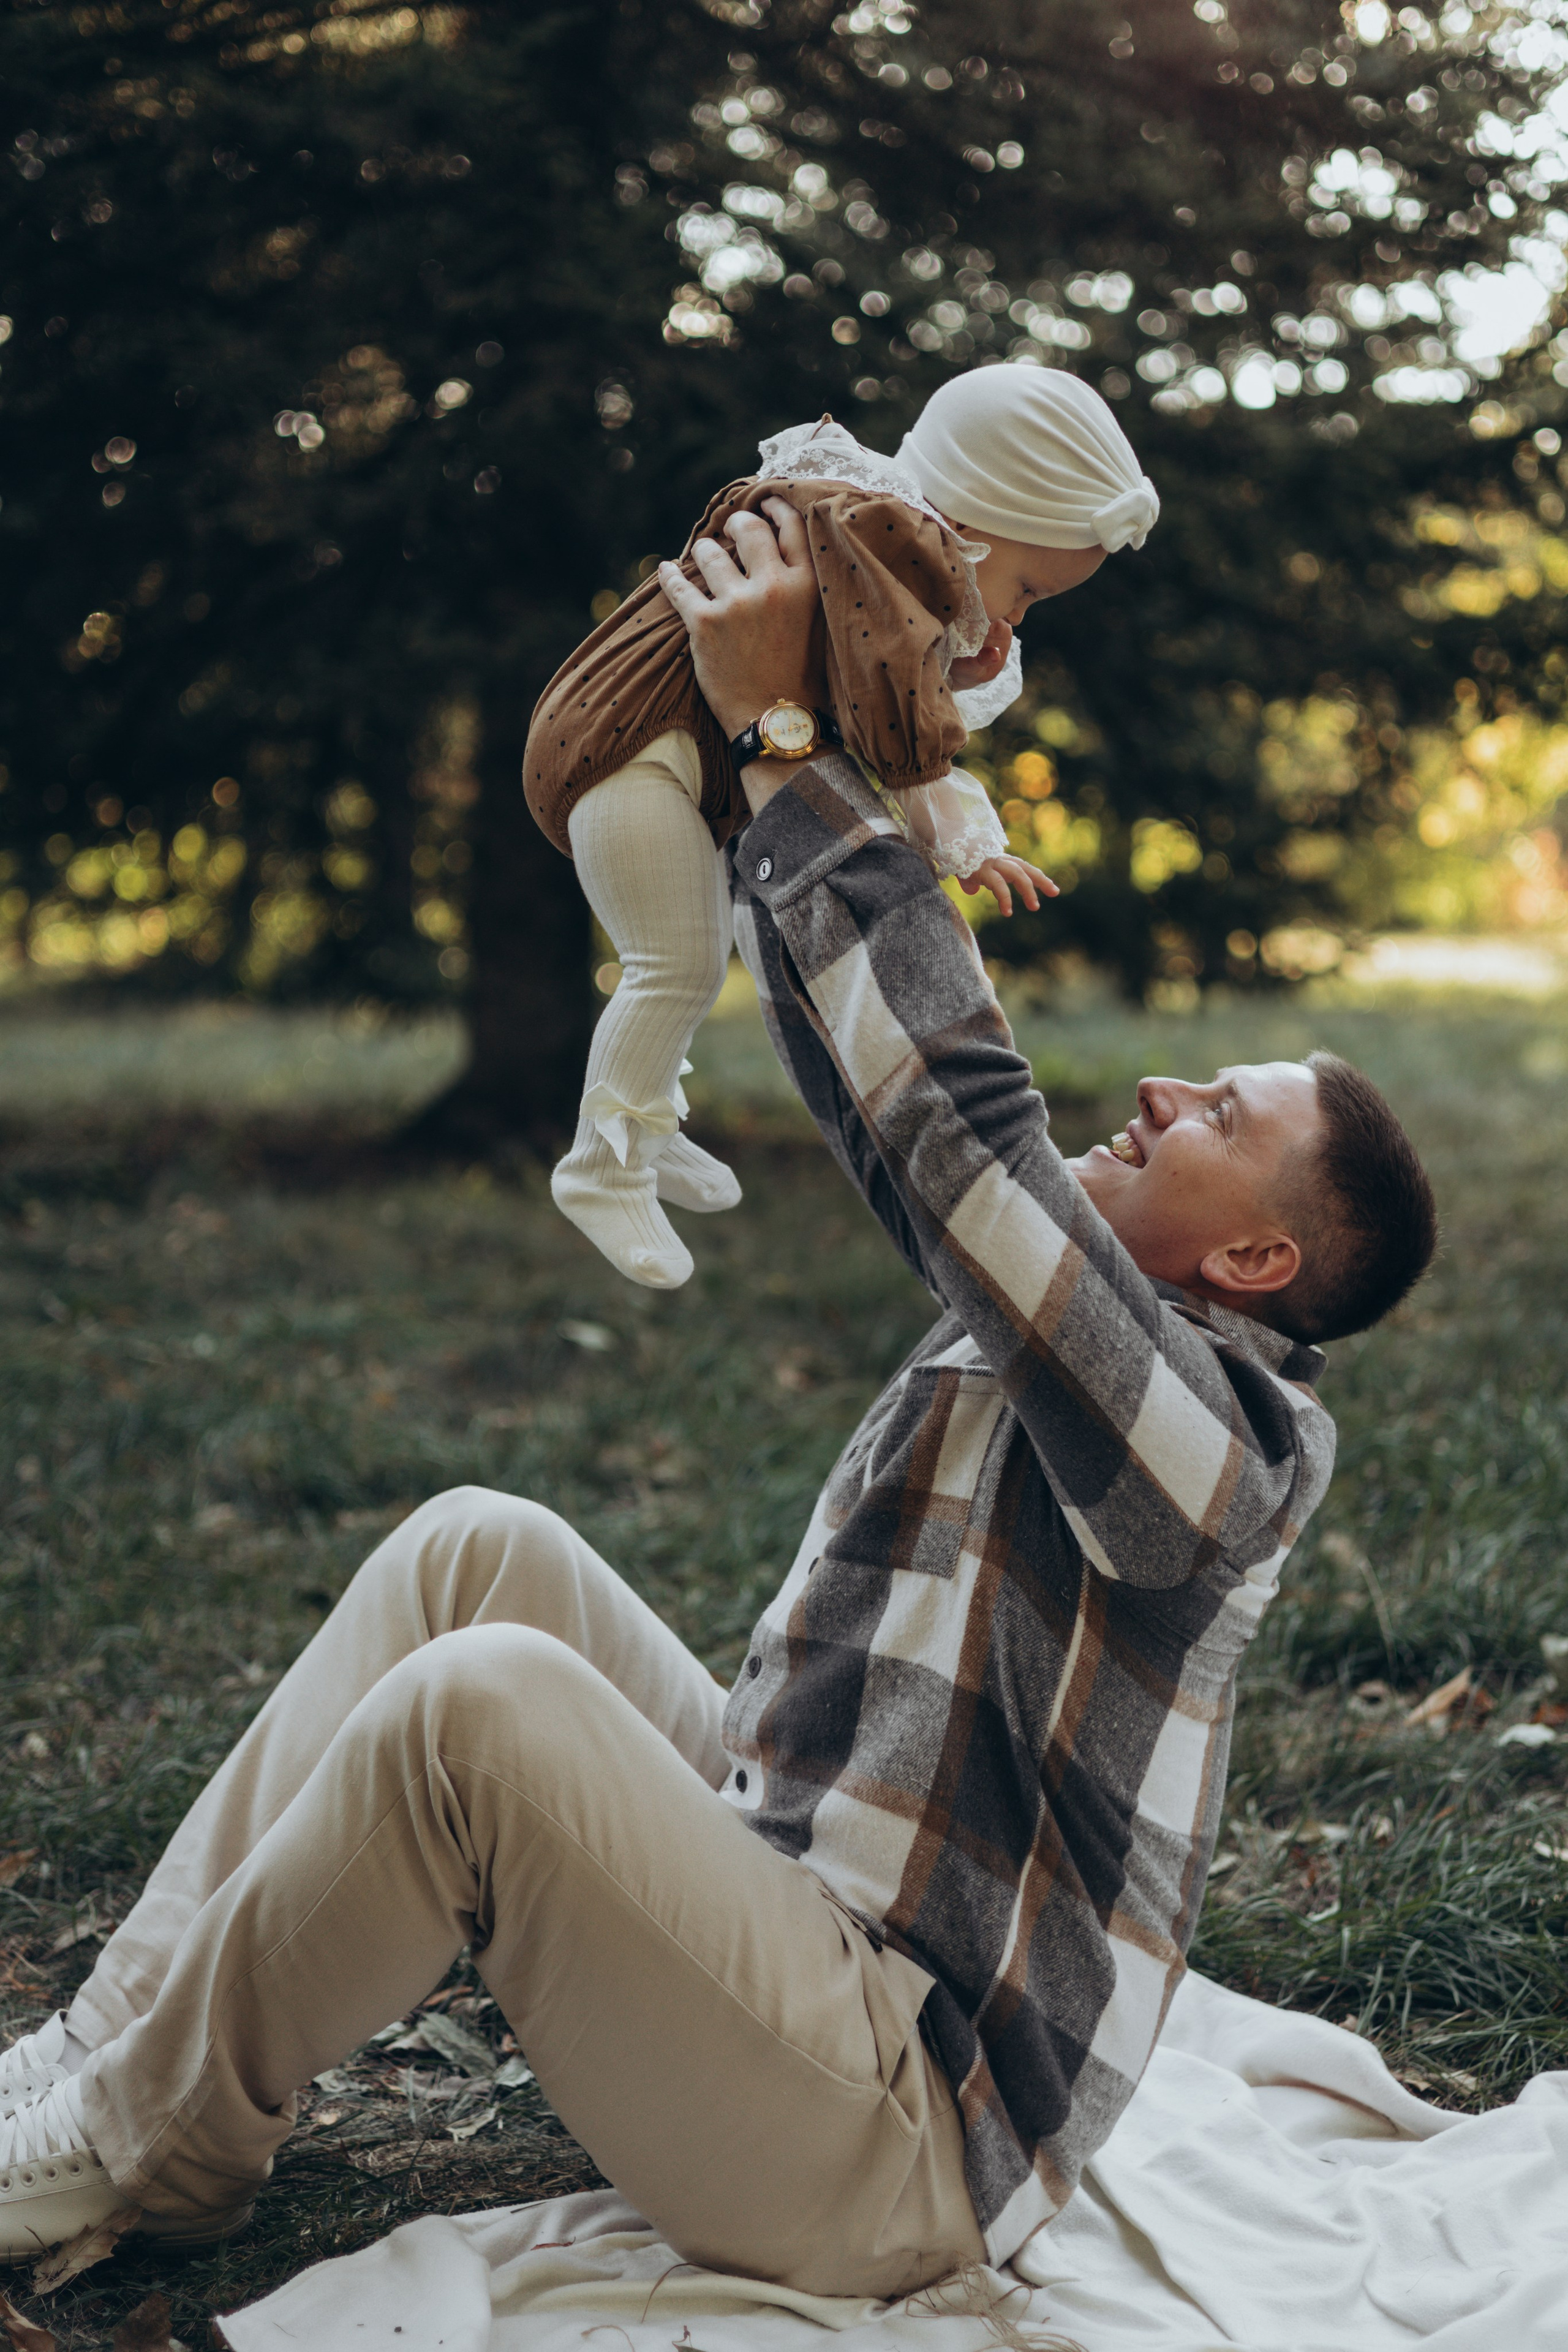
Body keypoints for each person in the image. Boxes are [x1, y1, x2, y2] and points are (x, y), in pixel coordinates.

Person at [0, 506, 1436, 2294]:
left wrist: (785, 737)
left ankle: (148, 2147)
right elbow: (891, 1119)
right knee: (479, 1556)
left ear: (1257, 1261)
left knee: (484, 1708)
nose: (1158, 1092)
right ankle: (93, 2058)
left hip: (895, 2135)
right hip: (799, 1921)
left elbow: (963, 1131)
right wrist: (770, 765)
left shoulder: (1223, 1452)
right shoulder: (1077, 1335)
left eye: (1218, 1114)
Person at [531, 368, 1158, 1291]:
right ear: (973, 525)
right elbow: (892, 730)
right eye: (1028, 586)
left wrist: (952, 671)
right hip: (629, 754)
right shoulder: (875, 535)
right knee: (676, 964)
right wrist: (963, 837)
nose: (1020, 617)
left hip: (658, 755)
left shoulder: (858, 527)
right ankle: (602, 1166)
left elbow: (844, 699)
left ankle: (647, 1128)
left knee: (689, 956)